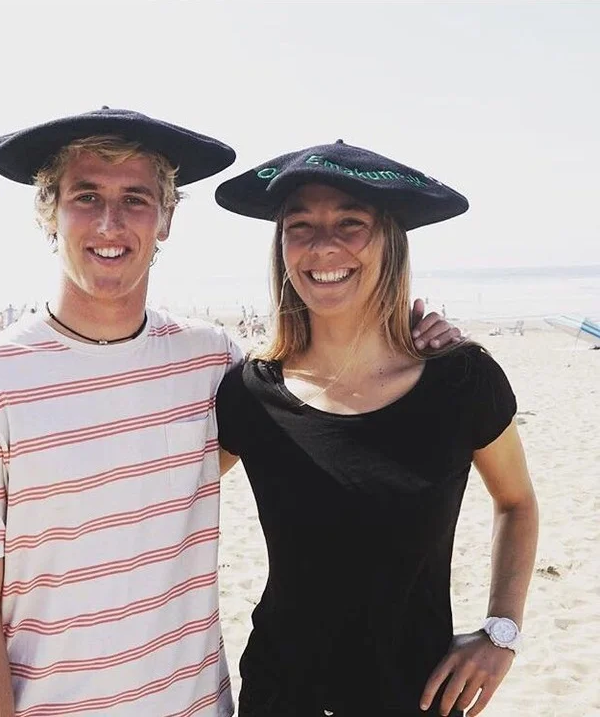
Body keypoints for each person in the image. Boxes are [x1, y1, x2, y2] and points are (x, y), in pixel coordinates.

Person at [0, 110, 457, 717]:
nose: (110, 223)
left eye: (136, 199)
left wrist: (407, 341)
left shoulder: (212, 363)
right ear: (49, 213)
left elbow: (321, 402)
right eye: (86, 197)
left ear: (166, 218)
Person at [213, 141, 539, 717]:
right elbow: (166, 503)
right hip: (280, 694)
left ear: (390, 240)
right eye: (300, 226)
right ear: (281, 247)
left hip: (418, 695)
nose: (323, 245)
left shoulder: (461, 381)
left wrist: (501, 630)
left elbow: (516, 502)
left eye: (351, 223)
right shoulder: (250, 392)